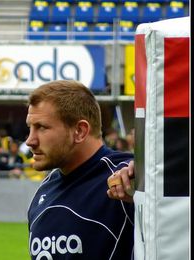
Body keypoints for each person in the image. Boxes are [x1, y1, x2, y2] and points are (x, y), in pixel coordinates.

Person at [26, 80, 134, 259]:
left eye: (42, 127)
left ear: (80, 131)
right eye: (30, 127)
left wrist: (146, 181)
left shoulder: (125, 177)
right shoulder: (43, 192)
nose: (30, 140)